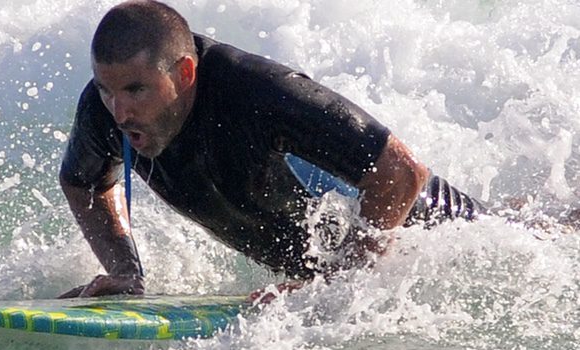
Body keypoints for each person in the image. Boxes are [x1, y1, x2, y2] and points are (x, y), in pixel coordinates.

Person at [56, 0, 484, 299]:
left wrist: (338, 284)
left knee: (533, 232)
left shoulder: (261, 95)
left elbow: (401, 171)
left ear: (184, 73)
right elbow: (82, 182)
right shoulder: (104, 109)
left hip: (446, 243)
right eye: (106, 89)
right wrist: (125, 271)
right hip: (354, 275)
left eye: (136, 89)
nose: (120, 111)